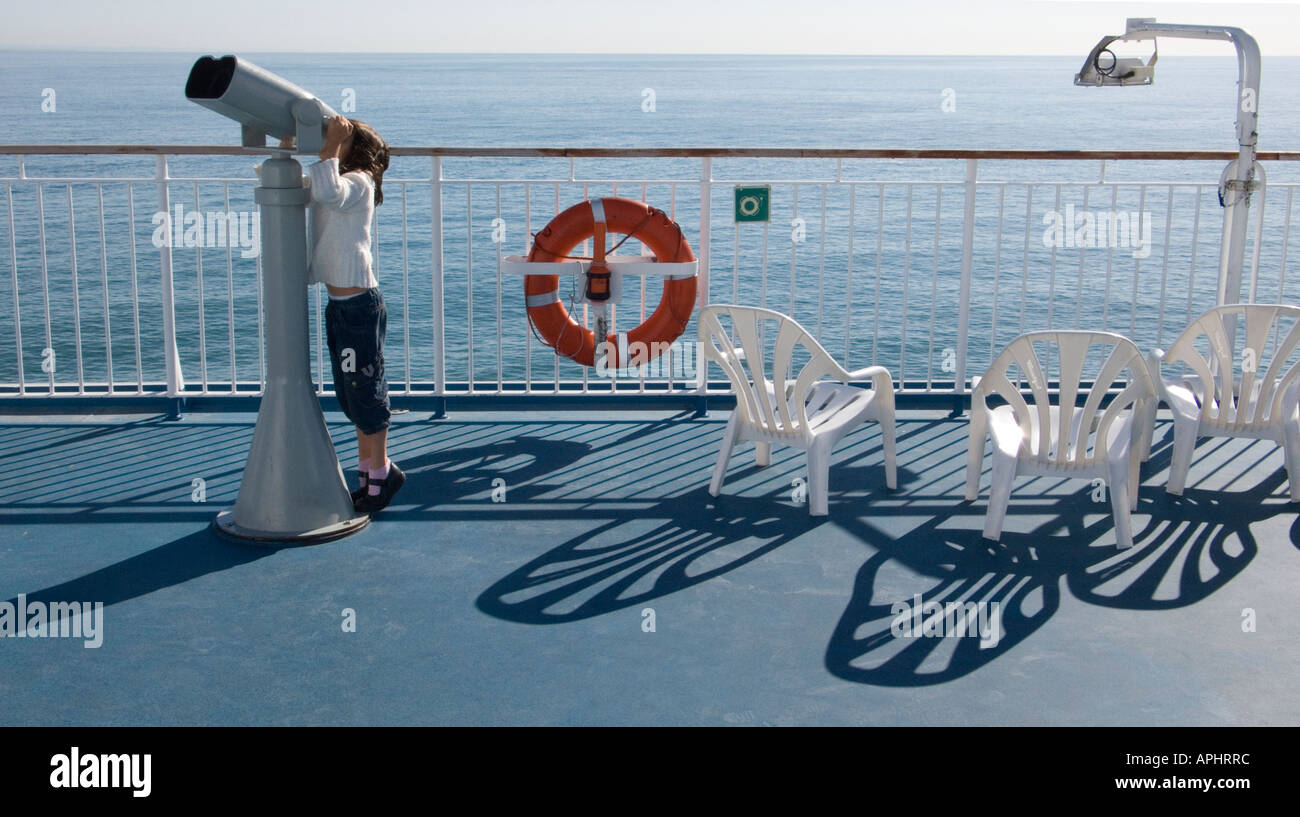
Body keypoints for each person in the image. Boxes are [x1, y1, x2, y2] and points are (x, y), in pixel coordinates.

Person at [284, 116, 403, 514]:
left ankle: (382, 476)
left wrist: (331, 145)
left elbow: (329, 191)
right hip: (341, 306)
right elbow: (316, 189)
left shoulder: (360, 183)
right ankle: (369, 477)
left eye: (343, 139)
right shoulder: (342, 179)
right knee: (351, 396)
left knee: (366, 392)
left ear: (357, 149)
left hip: (358, 308)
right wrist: (288, 144)